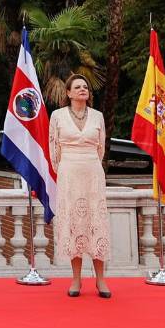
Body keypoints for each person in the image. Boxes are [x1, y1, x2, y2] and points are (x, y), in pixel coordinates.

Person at [48, 74, 111, 298]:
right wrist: (66, 169)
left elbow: (101, 147)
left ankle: (100, 280)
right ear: (68, 93)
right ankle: (76, 279)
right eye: (77, 87)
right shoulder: (57, 116)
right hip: (69, 173)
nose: (83, 89)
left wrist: (90, 164)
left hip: (93, 172)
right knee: (74, 224)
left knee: (96, 222)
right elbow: (53, 149)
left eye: (85, 86)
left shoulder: (98, 116)